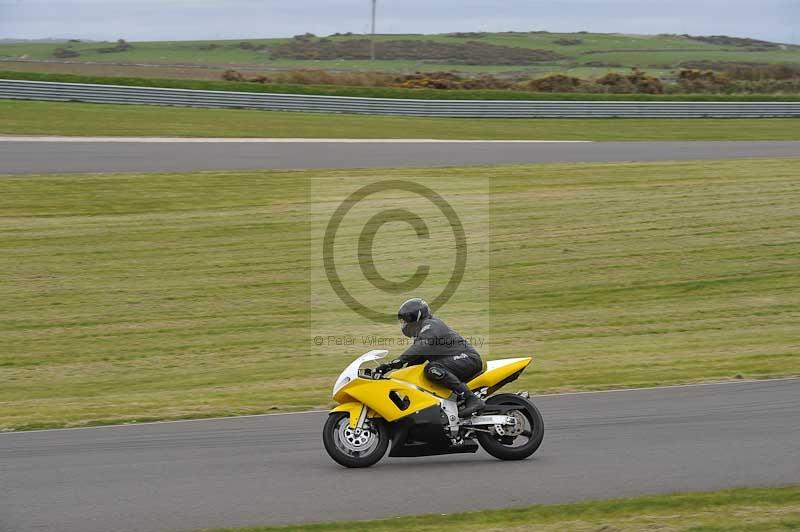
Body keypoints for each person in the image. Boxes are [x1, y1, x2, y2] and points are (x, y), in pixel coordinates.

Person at [375, 298, 485, 417]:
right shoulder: (424, 334)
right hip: (459, 361)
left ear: (415, 317)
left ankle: (472, 399)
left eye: (406, 321)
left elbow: (420, 347)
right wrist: (390, 376)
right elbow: (412, 365)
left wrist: (396, 362)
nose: (404, 325)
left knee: (432, 369)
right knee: (420, 374)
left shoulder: (432, 325)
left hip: (468, 359)